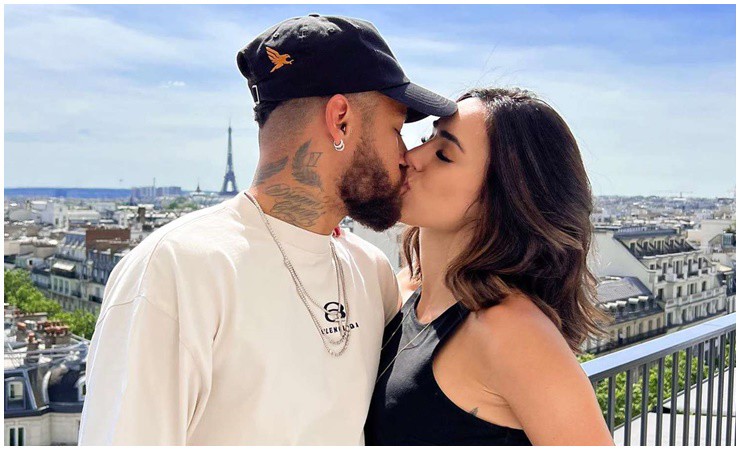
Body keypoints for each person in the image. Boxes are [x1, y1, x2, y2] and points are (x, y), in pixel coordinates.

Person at [78, 14, 456, 445]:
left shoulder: (370, 270)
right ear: (341, 120)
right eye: (396, 130)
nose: (405, 155)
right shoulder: (176, 269)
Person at [365, 87, 615, 445]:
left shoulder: (512, 332)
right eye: (426, 140)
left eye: (444, 154)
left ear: (504, 195)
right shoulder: (402, 288)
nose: (411, 156)